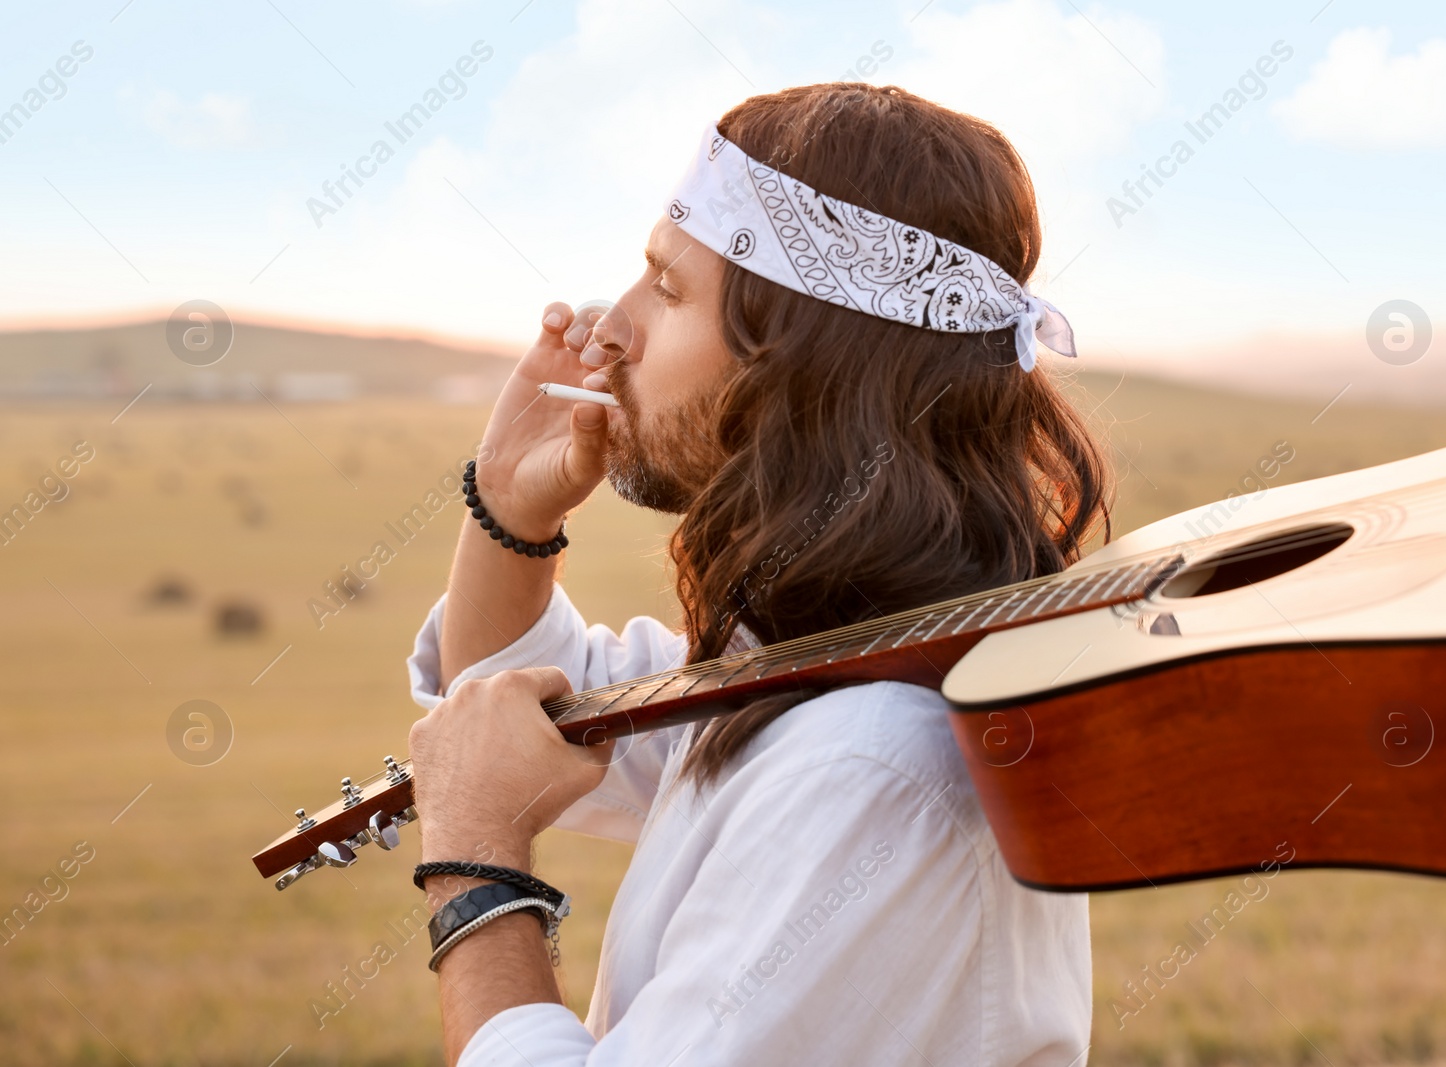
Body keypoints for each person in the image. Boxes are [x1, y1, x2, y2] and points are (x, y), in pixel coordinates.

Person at [405, 81, 1112, 1066]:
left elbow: (496, 749)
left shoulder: (868, 764)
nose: (611, 330)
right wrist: (511, 510)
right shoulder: (812, 661)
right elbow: (515, 699)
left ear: (799, 360)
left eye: (667, 285)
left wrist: (475, 868)